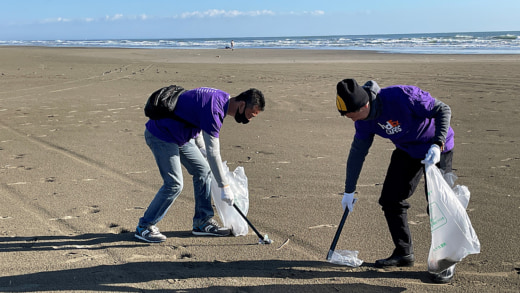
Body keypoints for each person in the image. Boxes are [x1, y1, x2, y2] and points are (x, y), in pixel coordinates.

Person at [336, 78, 456, 284]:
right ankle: (403, 253)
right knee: (390, 200)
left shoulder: (403, 96)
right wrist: (349, 190)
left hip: (437, 147)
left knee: (439, 207)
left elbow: (443, 109)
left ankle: (445, 261)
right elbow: (357, 153)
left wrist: (438, 144)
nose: (353, 121)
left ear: (365, 105)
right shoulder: (363, 122)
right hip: (407, 151)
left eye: (352, 115)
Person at [135, 87, 265, 243]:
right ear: (242, 105)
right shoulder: (215, 109)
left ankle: (202, 222)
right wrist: (224, 187)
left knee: (204, 171)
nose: (249, 119)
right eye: (250, 114)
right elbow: (213, 152)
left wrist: (201, 149)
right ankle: (145, 226)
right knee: (174, 184)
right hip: (161, 135)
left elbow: (195, 120)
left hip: (181, 137)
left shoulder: (221, 99)